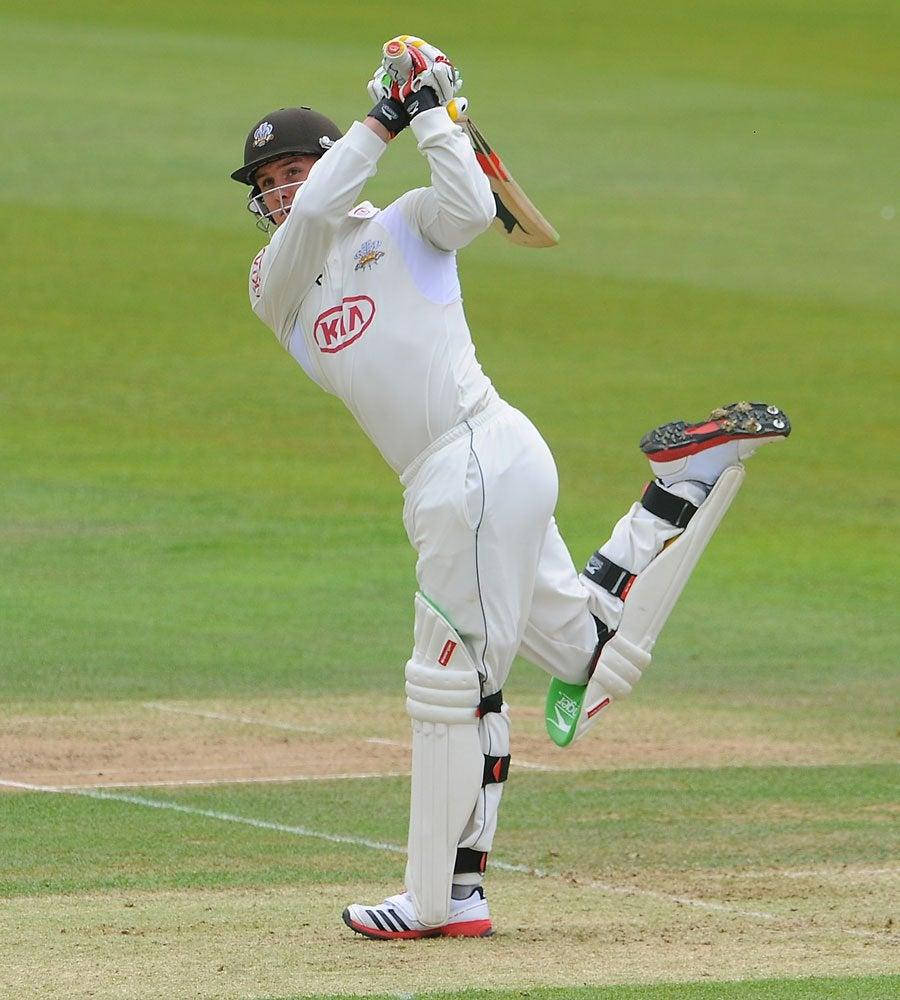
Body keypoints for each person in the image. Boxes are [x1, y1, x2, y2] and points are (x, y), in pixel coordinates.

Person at [230, 36, 790, 940]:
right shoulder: (277, 281)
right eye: (268, 179)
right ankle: (682, 486)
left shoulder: (404, 222)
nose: (285, 186)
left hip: (478, 455)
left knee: (451, 682)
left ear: (329, 159)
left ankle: (438, 896)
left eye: (297, 166)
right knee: (591, 663)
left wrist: (433, 119)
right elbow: (314, 216)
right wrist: (389, 113)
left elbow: (468, 203)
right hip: (454, 479)